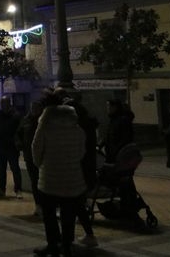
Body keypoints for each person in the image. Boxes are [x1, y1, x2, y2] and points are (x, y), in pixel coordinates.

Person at [32, 88, 87, 257]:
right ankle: (67, 245)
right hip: (72, 179)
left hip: (49, 178)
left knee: (49, 215)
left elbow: (36, 150)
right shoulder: (76, 128)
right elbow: (81, 152)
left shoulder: (45, 127)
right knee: (68, 215)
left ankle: (53, 244)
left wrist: (42, 165)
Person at [64, 97, 99, 248]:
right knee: (76, 204)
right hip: (85, 169)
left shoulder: (79, 129)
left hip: (79, 170)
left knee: (73, 204)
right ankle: (83, 235)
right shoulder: (87, 125)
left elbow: (77, 151)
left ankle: (71, 238)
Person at [0, 95, 23, 199]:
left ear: (9, 103)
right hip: (0, 147)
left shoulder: (15, 116)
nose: (3, 105)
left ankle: (18, 189)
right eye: (2, 103)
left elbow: (20, 130)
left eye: (5, 103)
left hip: (12, 147)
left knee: (15, 169)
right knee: (1, 169)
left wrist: (17, 141)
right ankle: (1, 189)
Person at [17, 100, 44, 216]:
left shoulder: (44, 121)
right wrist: (19, 144)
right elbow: (18, 133)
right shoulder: (26, 120)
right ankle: (38, 205)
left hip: (43, 157)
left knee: (44, 182)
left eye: (36, 108)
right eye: (33, 108)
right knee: (34, 181)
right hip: (29, 156)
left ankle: (46, 204)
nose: (34, 110)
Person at [103, 99, 134, 163]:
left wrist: (116, 151)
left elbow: (126, 138)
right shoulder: (113, 120)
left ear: (115, 107)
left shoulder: (123, 120)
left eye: (109, 106)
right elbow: (109, 135)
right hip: (112, 154)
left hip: (119, 155)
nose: (107, 109)